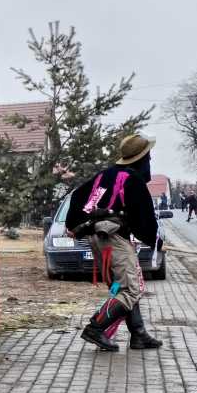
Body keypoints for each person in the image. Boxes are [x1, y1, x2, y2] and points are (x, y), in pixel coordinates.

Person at [65, 134, 163, 352]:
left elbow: (78, 195)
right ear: (142, 159)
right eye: (148, 157)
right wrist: (156, 241)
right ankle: (95, 328)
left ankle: (138, 334)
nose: (150, 161)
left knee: (122, 286)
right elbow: (144, 217)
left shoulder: (105, 175)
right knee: (130, 289)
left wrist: (74, 224)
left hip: (98, 239)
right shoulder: (133, 180)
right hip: (113, 239)